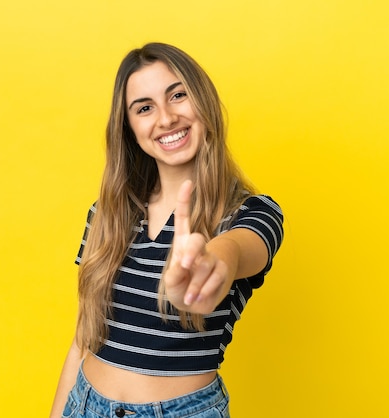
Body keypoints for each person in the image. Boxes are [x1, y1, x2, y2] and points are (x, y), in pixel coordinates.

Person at [50, 42, 284, 418]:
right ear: (130, 129)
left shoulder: (253, 213)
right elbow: (82, 341)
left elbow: (238, 251)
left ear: (203, 102)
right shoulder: (106, 215)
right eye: (144, 108)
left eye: (178, 95)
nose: (166, 117)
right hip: (84, 405)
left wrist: (213, 261)